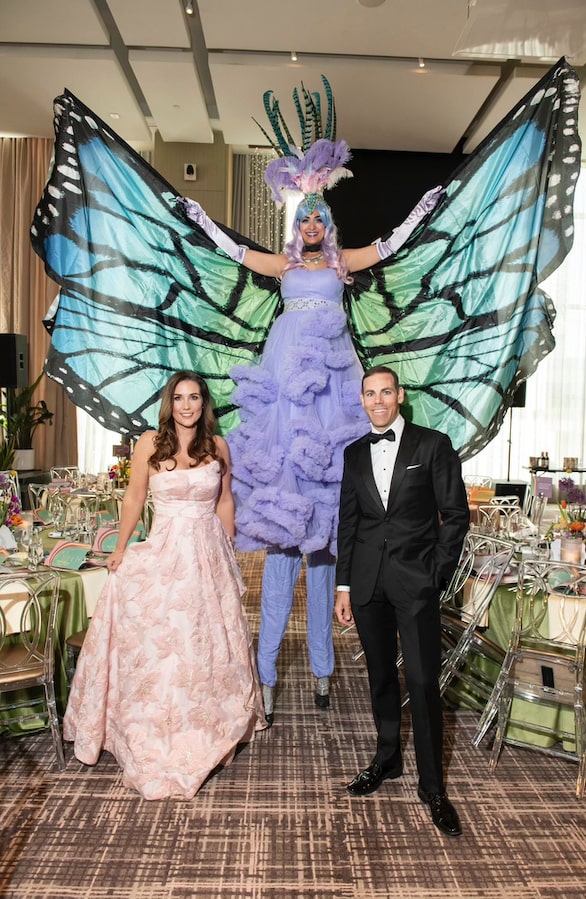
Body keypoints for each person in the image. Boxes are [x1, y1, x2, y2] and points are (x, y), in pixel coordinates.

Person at [182, 174, 442, 726]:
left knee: (325, 550)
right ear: (297, 225)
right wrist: (201, 218)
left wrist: (420, 210)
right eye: (305, 218)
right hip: (286, 393)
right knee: (282, 551)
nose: (312, 224)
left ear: (328, 224)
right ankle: (267, 675)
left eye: (319, 217)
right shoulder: (285, 265)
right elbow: (237, 252)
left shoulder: (342, 263)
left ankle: (323, 670)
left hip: (332, 389)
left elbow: (388, 247)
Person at [63, 371, 267, 800]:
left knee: (206, 640)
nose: (186, 405)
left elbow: (224, 500)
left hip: (208, 555)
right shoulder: (150, 444)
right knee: (166, 642)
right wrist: (121, 547)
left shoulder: (218, 447)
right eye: (179, 398)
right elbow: (135, 497)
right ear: (169, 404)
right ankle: (158, 725)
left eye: (193, 397)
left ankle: (209, 722)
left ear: (204, 403)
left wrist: (229, 551)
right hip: (165, 552)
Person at [334, 365, 470, 837]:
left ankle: (433, 786)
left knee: (423, 680)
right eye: (370, 394)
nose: (378, 401)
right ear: (362, 399)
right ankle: (387, 758)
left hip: (416, 583)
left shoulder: (432, 445)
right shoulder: (353, 453)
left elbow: (455, 515)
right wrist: (344, 586)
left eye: (385, 392)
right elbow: (348, 523)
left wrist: (435, 574)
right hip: (367, 584)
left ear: (400, 395)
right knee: (380, 677)